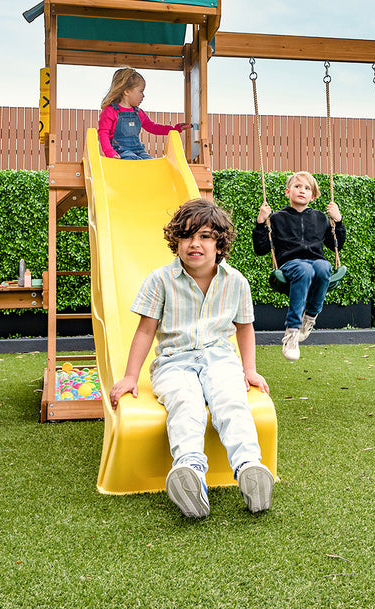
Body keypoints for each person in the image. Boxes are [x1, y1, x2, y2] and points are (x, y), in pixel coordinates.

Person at [109, 198, 274, 519]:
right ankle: (190, 471)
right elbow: (145, 331)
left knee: (230, 400)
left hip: (220, 360)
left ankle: (249, 468)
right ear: (176, 242)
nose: (194, 244)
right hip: (174, 362)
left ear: (220, 243)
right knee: (186, 403)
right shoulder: (161, 280)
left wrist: (249, 370)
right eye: (186, 236)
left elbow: (245, 328)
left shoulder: (235, 281)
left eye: (205, 236)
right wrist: (130, 376)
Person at [253, 171, 346, 361]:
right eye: (297, 187)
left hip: (315, 263)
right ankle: (292, 332)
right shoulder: (278, 218)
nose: (302, 191)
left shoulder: (320, 218)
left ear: (313, 195)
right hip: (290, 265)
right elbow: (261, 249)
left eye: (307, 188)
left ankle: (310, 316)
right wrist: (261, 222)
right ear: (288, 192)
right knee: (304, 269)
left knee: (324, 267)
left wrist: (338, 220)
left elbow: (336, 244)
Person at [97, 67, 191, 160]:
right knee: (133, 160)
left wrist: (175, 129)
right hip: (121, 152)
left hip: (139, 151)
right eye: (141, 91)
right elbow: (103, 133)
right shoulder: (111, 111)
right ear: (127, 91)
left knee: (152, 162)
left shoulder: (138, 113)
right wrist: (110, 152)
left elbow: (153, 127)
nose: (143, 95)